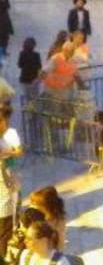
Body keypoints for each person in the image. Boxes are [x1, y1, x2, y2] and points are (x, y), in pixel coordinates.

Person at [0, 105, 22, 253]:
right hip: (4, 201)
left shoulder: (9, 134)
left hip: (11, 190)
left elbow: (18, 150)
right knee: (4, 234)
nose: (4, 124)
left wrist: (10, 153)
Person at [25, 186, 65, 251]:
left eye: (35, 203)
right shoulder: (33, 214)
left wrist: (58, 254)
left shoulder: (58, 220)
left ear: (45, 207)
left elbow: (60, 240)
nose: (31, 205)